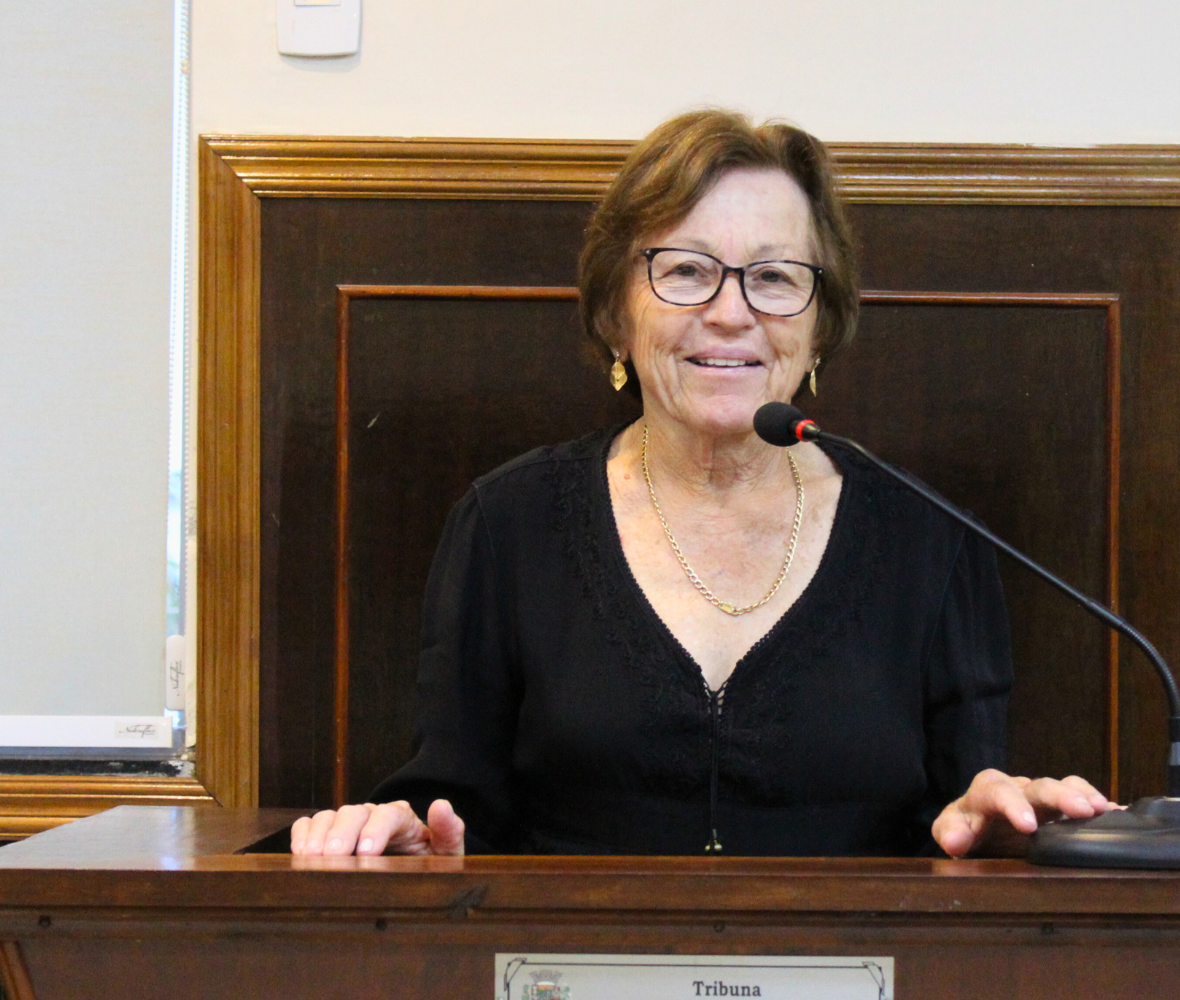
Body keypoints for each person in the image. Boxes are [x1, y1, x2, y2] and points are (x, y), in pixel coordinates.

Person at [291, 110, 1112, 860]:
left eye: (775, 277)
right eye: (685, 270)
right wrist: (406, 833)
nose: (729, 312)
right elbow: (453, 804)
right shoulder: (510, 524)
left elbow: (962, 816)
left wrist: (996, 827)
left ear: (820, 324)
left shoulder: (928, 538)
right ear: (616, 313)